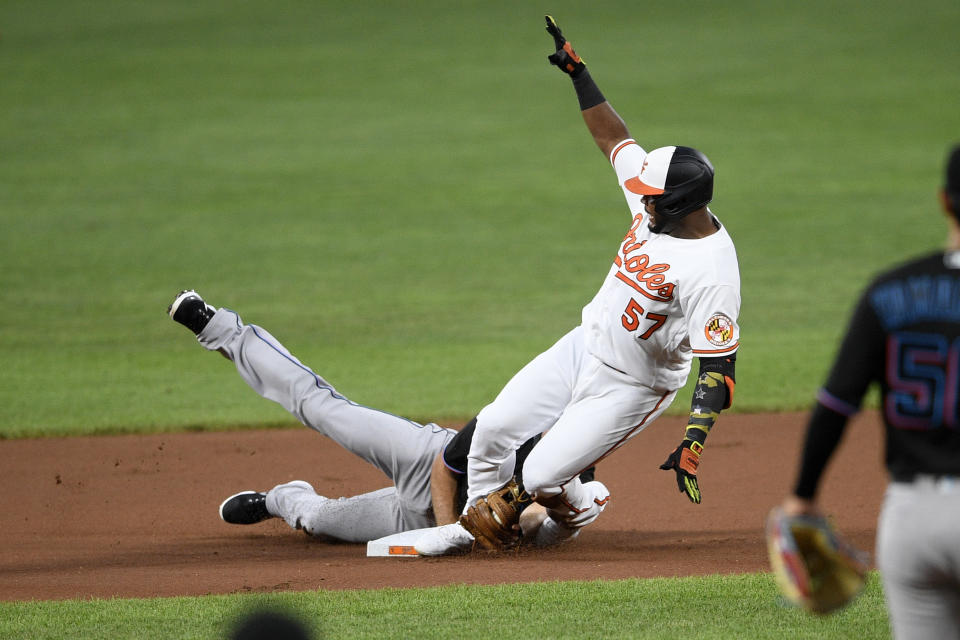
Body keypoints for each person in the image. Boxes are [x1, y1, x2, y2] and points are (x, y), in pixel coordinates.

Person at [413, 16, 741, 555]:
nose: (642, 200)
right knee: (494, 428)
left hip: (633, 385)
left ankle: (583, 504)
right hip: (583, 346)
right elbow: (614, 138)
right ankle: (477, 527)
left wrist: (693, 440)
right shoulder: (656, 199)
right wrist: (577, 73)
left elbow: (718, 368)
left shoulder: (711, 269)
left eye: (651, 198)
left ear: (681, 203)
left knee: (541, 474)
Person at [167, 290, 595, 544]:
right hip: (424, 463)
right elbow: (446, 469)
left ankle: (279, 500)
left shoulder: (582, 458)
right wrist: (448, 534)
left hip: (415, 518)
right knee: (322, 409)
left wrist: (519, 525)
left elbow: (555, 526)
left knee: (320, 521)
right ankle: (218, 328)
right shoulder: (515, 421)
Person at [777, 144, 960, 639]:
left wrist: (803, 497)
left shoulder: (891, 291)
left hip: (912, 522)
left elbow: (835, 406)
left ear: (945, 200)